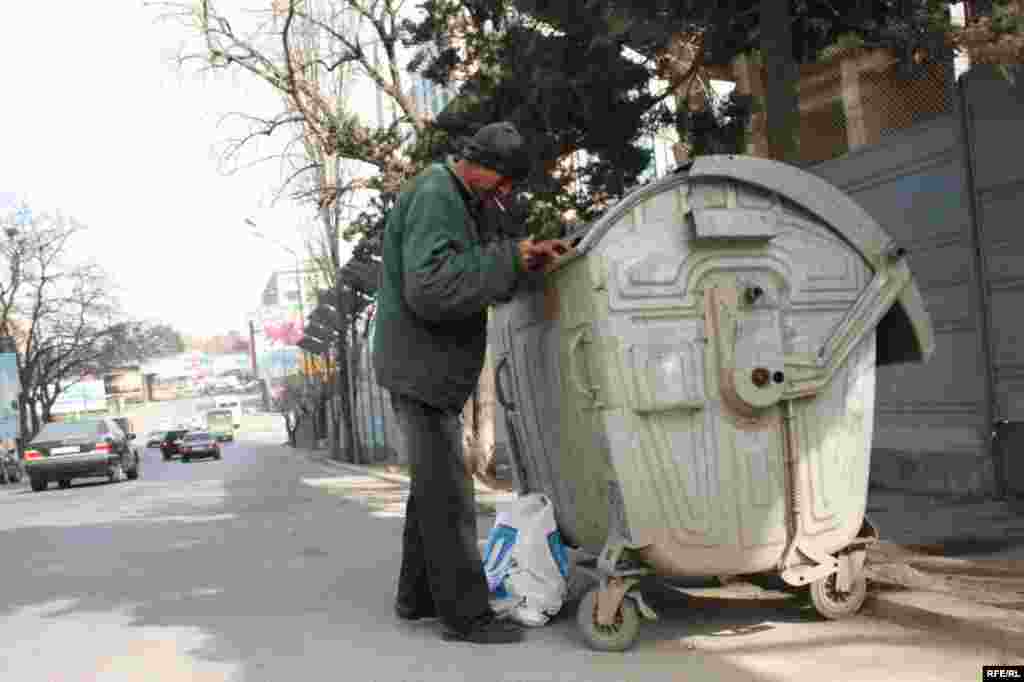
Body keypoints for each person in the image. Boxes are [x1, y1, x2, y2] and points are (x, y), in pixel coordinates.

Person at [372, 121, 570, 644]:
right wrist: (509, 258)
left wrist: (521, 257)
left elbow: (471, 264)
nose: (504, 193)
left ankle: (415, 598)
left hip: (421, 365)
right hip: (420, 369)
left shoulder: (457, 198)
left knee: (431, 489)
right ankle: (467, 617)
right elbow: (433, 287)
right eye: (502, 181)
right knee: (451, 497)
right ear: (479, 164)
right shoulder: (438, 193)